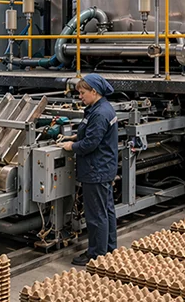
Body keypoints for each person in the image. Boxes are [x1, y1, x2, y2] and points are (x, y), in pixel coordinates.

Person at [57, 73, 119, 265]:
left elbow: (91, 143)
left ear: (94, 91)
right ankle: (108, 249)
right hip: (103, 167)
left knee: (96, 215)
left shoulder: (100, 113)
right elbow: (91, 133)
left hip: (96, 169)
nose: (80, 97)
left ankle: (96, 255)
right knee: (106, 210)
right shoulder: (98, 108)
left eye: (83, 93)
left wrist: (72, 147)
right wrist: (74, 137)